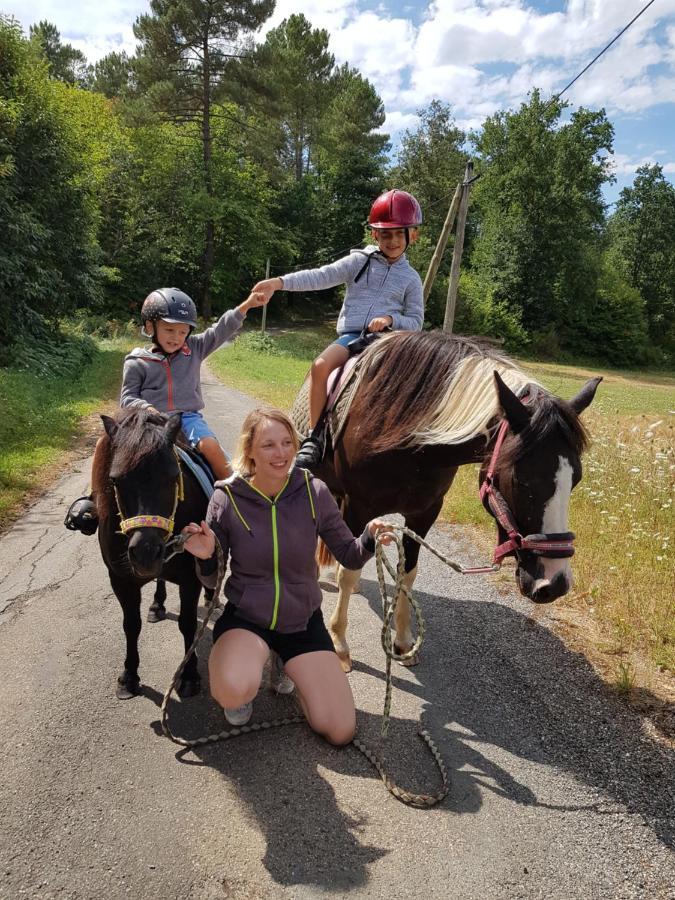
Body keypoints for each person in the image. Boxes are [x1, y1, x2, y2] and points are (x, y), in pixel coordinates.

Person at [182, 407, 393, 741]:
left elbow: (350, 556)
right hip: (247, 618)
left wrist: (368, 537)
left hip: (302, 621)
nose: (280, 453)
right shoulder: (226, 498)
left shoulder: (315, 492)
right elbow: (212, 580)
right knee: (233, 690)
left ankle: (290, 664)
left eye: (286, 442)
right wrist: (207, 557)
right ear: (249, 450)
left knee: (341, 731)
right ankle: (247, 680)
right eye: (268, 445)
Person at [64, 287, 268, 535]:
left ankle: (238, 501)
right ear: (150, 327)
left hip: (186, 418)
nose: (176, 337)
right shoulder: (136, 361)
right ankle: (95, 500)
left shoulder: (195, 348)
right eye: (169, 330)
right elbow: (128, 396)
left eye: (183, 331)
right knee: (103, 445)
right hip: (146, 421)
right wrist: (146, 407)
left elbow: (221, 329)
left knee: (211, 447)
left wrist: (246, 306)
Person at [251, 189, 424, 471]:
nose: (392, 241)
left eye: (398, 234)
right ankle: (314, 436)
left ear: (412, 235)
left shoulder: (411, 279)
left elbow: (416, 321)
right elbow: (321, 275)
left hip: (389, 343)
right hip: (354, 336)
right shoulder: (359, 262)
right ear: (374, 235)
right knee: (320, 366)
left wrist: (391, 319)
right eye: (385, 234)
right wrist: (279, 282)